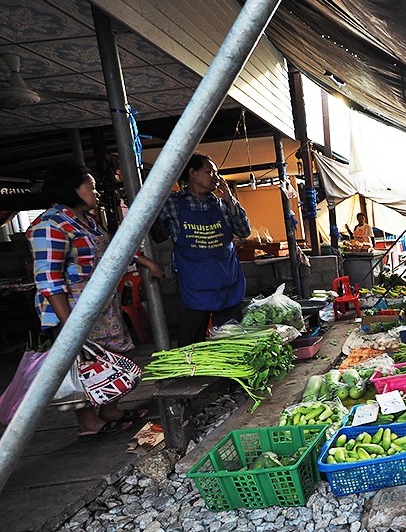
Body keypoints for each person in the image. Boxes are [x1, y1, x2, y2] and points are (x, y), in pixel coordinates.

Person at [28, 163, 164, 437]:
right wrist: (70, 326)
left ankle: (110, 409)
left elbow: (114, 248)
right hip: (73, 310)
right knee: (83, 366)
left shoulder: (86, 221)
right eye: (90, 187)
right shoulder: (50, 225)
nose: (96, 192)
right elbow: (49, 279)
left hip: (103, 308)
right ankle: (88, 422)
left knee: (113, 358)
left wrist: (146, 261)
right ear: (71, 189)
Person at [154, 152, 251, 347]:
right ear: (193, 173)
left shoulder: (223, 204)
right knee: (192, 340)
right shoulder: (172, 203)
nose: (216, 178)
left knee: (230, 339)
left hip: (226, 280)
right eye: (210, 172)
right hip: (193, 282)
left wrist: (230, 200)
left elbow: (244, 231)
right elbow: (158, 236)